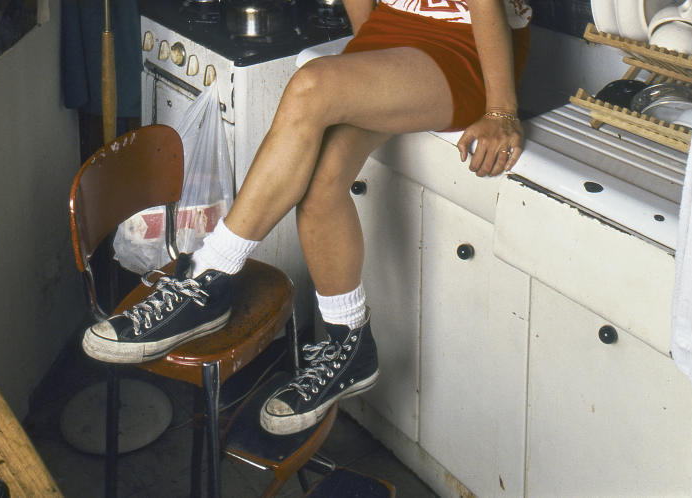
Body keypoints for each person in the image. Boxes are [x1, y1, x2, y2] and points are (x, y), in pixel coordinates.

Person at [82, 0, 532, 435]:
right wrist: (373, 54)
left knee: (310, 84)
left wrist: (502, 111)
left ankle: (208, 275)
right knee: (320, 182)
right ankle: (349, 341)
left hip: (466, 40)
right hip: (394, 31)